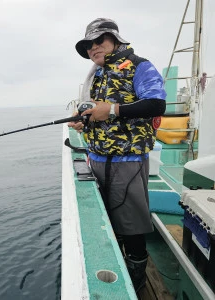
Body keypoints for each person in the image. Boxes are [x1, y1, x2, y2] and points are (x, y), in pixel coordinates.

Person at [68, 18, 166, 293]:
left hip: (128, 162)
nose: (93, 48)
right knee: (109, 221)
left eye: (99, 41)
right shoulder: (97, 75)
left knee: (132, 226)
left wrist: (111, 110)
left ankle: (137, 282)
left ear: (115, 39)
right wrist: (84, 121)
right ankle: (119, 265)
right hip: (98, 159)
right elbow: (97, 111)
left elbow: (157, 103)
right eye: (88, 45)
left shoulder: (139, 65)